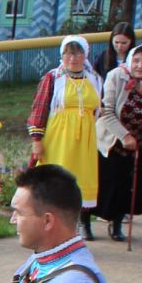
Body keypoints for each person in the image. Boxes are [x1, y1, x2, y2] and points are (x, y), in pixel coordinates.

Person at [28, 37, 105, 236]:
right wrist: (37, 140)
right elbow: (40, 107)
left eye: (78, 53)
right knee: (55, 181)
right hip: (58, 137)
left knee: (79, 181)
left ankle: (72, 229)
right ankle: (46, 229)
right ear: (62, 55)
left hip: (84, 140)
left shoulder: (94, 78)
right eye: (69, 53)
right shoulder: (53, 77)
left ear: (85, 55)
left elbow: (98, 107)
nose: (73, 58)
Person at [94, 43, 142, 241]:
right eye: (136, 60)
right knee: (104, 184)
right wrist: (124, 135)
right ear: (130, 61)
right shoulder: (116, 76)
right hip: (113, 140)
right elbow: (106, 111)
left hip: (139, 142)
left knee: (126, 187)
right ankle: (85, 221)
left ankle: (117, 224)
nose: (140, 65)